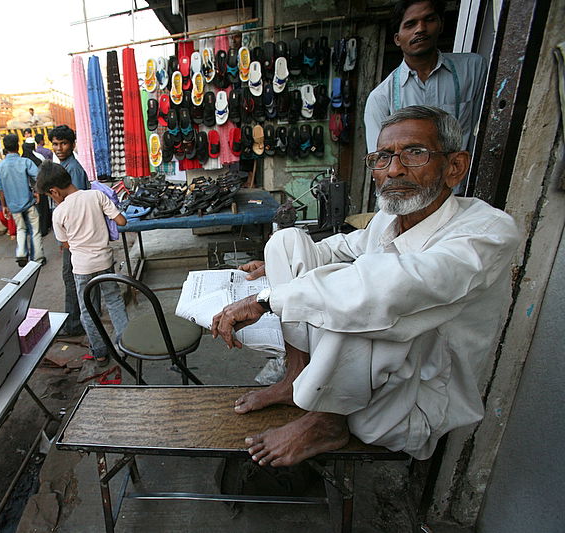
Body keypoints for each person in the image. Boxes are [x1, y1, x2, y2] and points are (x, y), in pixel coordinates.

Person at [211, 106, 520, 466]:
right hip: (364, 379)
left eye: (415, 153)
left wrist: (265, 300)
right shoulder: (393, 217)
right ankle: (294, 378)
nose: (394, 169)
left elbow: (383, 290)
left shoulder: (487, 233)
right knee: (287, 242)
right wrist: (274, 267)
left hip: (408, 403)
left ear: (454, 167)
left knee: (361, 305)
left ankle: (327, 422)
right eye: (383, 157)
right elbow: (341, 247)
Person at [364, 0, 487, 153]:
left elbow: (484, 131)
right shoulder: (381, 98)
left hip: (460, 175)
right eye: (410, 24)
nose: (421, 29)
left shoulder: (472, 69)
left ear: (441, 25)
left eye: (429, 20)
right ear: (397, 38)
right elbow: (381, 161)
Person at [36, 161, 128, 366]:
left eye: (50, 196)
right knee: (113, 300)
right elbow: (121, 221)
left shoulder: (59, 213)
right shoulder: (96, 195)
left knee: (88, 309)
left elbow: (66, 243)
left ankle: (100, 352)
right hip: (105, 261)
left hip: (81, 268)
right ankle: (126, 344)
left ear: (55, 191)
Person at [49, 125, 91, 336]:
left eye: (63, 143)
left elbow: (73, 206)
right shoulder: (64, 166)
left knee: (72, 277)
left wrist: (65, 239)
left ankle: (75, 324)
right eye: (55, 144)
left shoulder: (71, 169)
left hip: (75, 235)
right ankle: (81, 321)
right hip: (75, 234)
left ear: (73, 144)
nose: (59, 148)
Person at [0, 134, 45, 267]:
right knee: (35, 230)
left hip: (13, 205)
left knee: (21, 229)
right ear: (18, 146)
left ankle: (21, 253)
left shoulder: (0, 167)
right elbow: (38, 177)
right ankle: (38, 258)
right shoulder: (25, 162)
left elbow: (0, 189)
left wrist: (4, 206)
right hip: (28, 202)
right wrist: (37, 192)